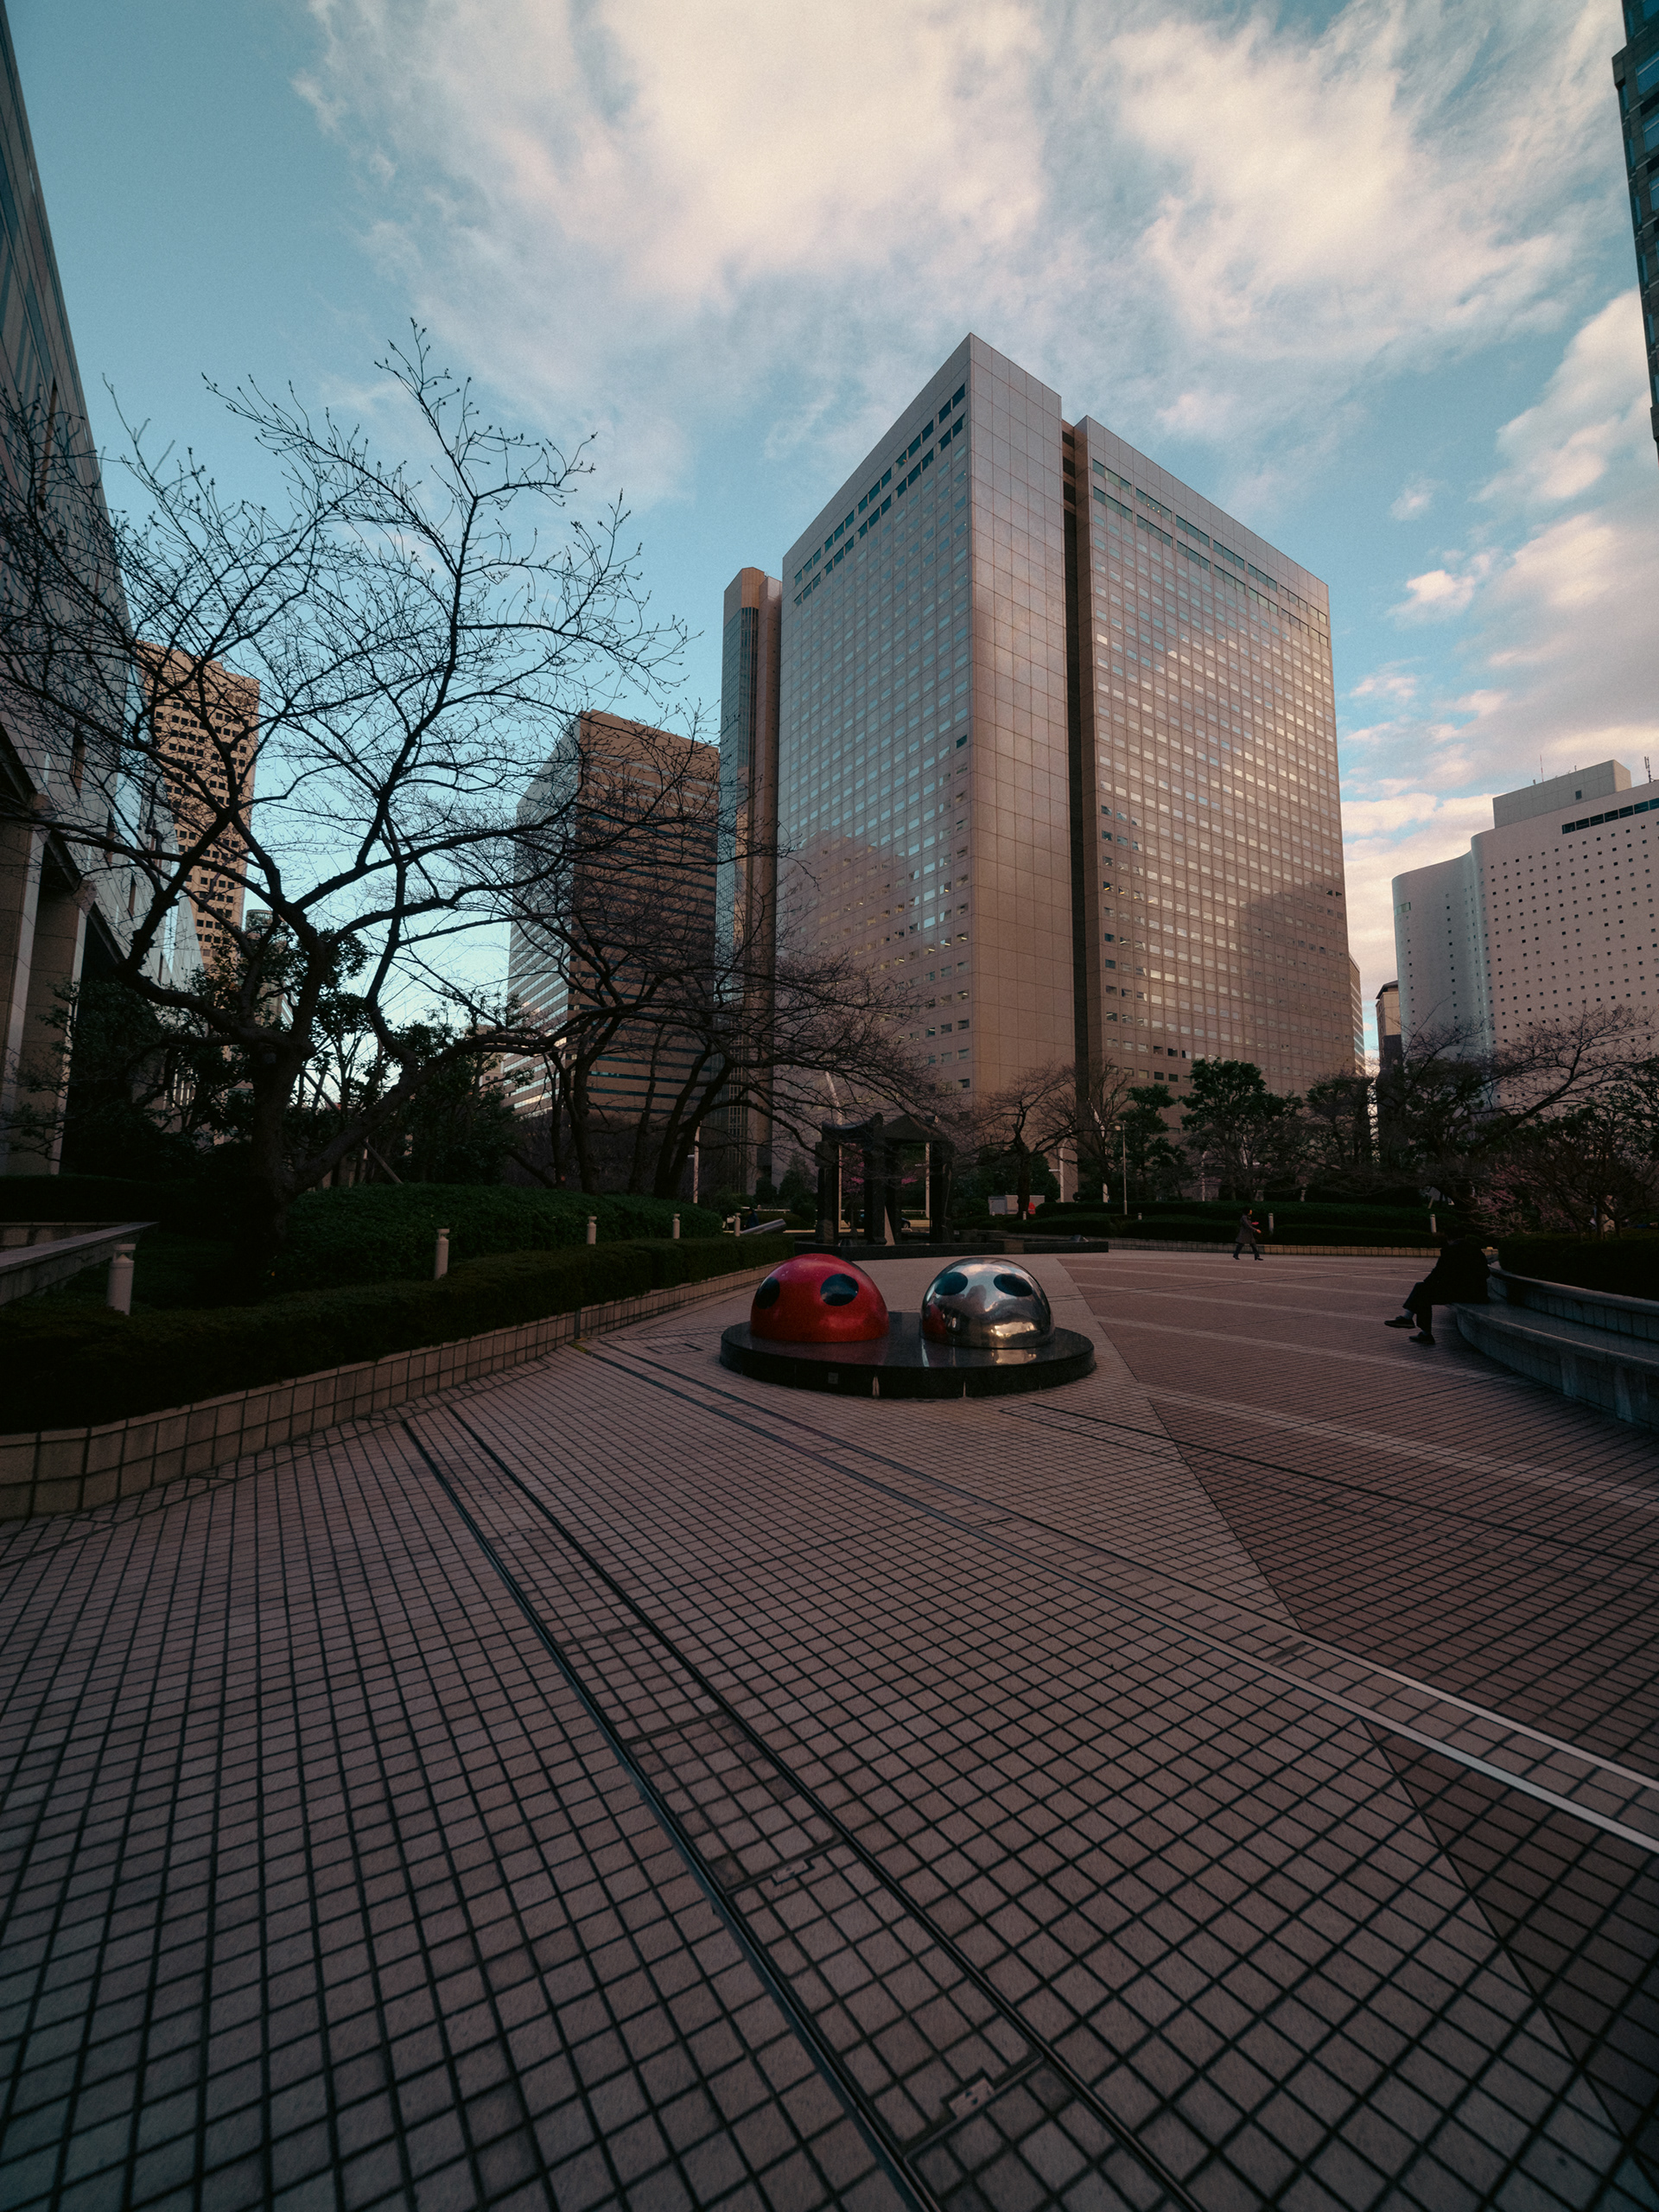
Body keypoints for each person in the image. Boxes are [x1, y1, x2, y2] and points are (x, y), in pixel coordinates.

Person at [1382, 1236, 1492, 1346]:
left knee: (1423, 1291)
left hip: (1463, 1293)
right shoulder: (1476, 1251)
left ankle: (1417, 1326)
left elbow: (1437, 1274)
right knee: (1423, 1291)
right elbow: (1486, 1273)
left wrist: (1428, 1284)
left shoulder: (1450, 1251)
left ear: (1449, 1239)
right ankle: (1411, 1321)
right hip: (1478, 1293)